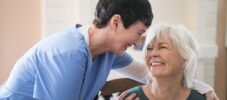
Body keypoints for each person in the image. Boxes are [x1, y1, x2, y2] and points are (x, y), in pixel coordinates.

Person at [0, 0, 218, 100]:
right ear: (116, 22)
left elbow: (146, 73)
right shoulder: (67, 54)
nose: (139, 42)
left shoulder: (107, 52)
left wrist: (203, 88)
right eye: (139, 32)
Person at [119, 23, 213, 100]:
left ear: (185, 59)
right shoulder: (131, 98)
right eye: (149, 49)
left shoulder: (202, 98)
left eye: (163, 47)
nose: (153, 54)